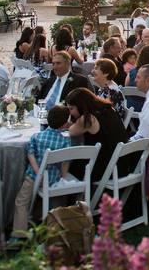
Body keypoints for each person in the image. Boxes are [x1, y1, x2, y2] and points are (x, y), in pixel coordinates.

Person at [11, 105, 72, 239]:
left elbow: (30, 154)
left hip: (34, 176)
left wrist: (39, 172)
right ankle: (54, 231)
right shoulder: (65, 140)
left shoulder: (36, 136)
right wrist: (62, 176)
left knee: (21, 202)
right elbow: (65, 162)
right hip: (53, 178)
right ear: (64, 124)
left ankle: (18, 234)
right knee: (56, 201)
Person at [66, 88, 129, 180]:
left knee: (65, 163)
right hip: (120, 164)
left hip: (103, 168)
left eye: (71, 108)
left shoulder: (88, 119)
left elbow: (71, 131)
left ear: (81, 106)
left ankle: (66, 192)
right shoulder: (109, 109)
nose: (70, 112)